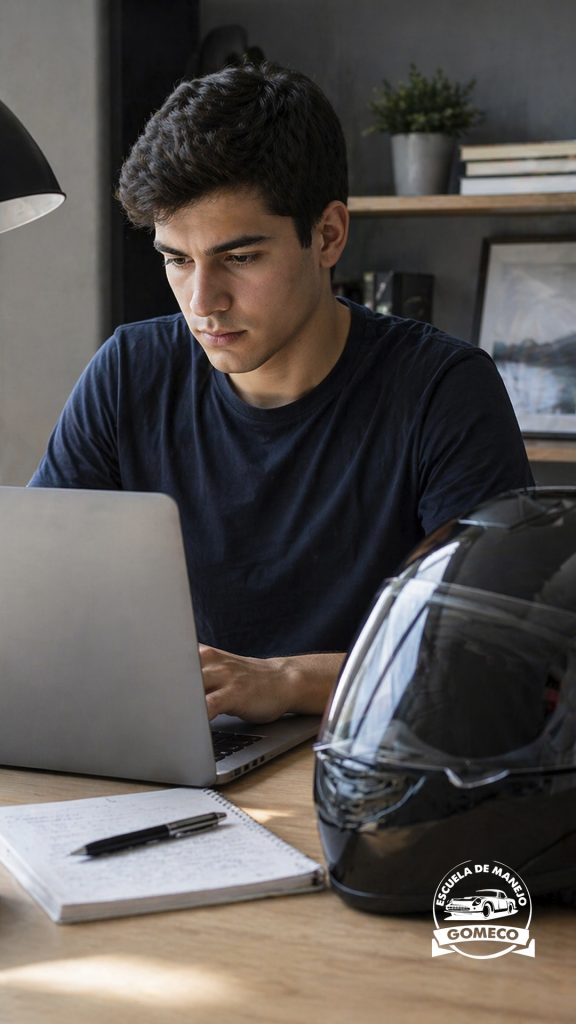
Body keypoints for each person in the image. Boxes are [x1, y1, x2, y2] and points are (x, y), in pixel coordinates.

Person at [29, 61, 534, 723]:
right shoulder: (129, 370)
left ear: (327, 236)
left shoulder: (442, 391)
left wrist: (289, 680)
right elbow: (36, 604)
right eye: (176, 258)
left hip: (365, 758)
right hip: (182, 753)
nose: (202, 302)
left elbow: (491, 656)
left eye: (240, 257)